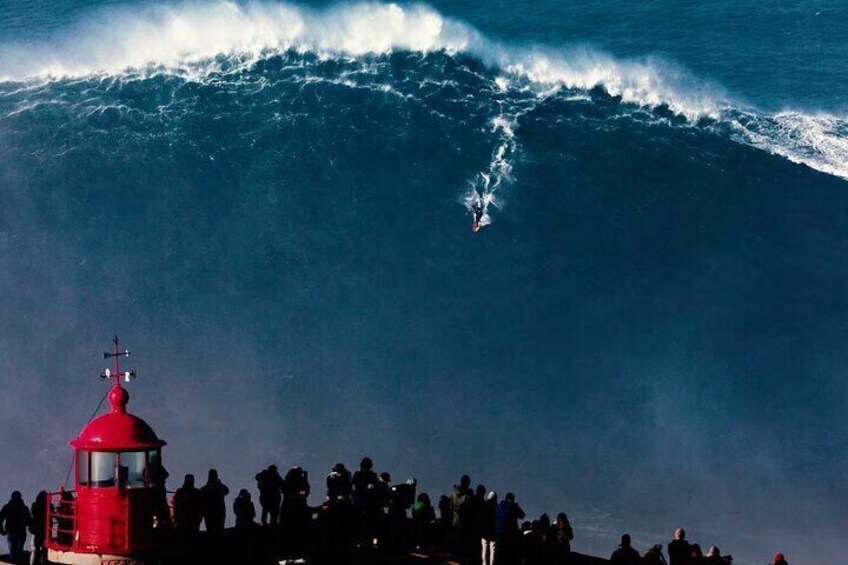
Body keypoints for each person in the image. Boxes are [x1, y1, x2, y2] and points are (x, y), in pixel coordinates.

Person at [0, 491, 32, 564]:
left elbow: (0, 519)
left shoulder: (7, 507)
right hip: (21, 533)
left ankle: (13, 562)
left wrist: (2, 530)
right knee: (19, 551)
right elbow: (29, 520)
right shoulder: (24, 508)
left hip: (11, 532)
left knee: (13, 551)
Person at [494, 492, 525, 565]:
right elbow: (522, 515)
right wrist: (516, 506)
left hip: (498, 535)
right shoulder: (513, 507)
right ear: (512, 499)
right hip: (510, 536)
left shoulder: (498, 507)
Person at [29, 491, 49, 565]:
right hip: (45, 530)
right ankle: (44, 561)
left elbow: (33, 514)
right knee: (45, 548)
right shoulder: (49, 505)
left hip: (37, 529)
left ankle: (34, 562)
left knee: (35, 548)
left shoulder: (35, 505)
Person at [480, 492, 497, 565]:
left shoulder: (483, 506)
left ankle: (484, 564)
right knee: (493, 550)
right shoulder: (495, 507)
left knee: (484, 549)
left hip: (484, 530)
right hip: (493, 531)